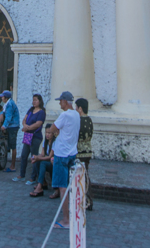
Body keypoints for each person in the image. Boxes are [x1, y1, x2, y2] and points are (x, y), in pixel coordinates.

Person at [46, 91, 81, 229]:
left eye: (61, 101)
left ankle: (66, 219)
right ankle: (71, 215)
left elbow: (52, 129)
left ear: (66, 102)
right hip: (72, 152)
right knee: (69, 186)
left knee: (62, 187)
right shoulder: (76, 115)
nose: (60, 103)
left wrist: (57, 131)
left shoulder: (64, 115)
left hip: (61, 153)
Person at [16, 94, 46, 183]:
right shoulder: (31, 109)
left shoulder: (41, 112)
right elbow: (24, 119)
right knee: (24, 155)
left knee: (34, 156)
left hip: (35, 136)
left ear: (40, 101)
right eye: (33, 100)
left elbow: (38, 124)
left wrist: (27, 128)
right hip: (27, 136)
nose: (34, 102)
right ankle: (22, 174)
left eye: (36, 100)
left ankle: (33, 177)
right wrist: (25, 125)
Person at [75, 97, 94, 212]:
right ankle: (86, 199)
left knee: (83, 176)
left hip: (80, 152)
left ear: (80, 108)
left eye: (76, 107)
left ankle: (87, 200)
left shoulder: (79, 121)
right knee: (85, 175)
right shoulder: (89, 120)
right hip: (88, 150)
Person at [0, 90, 21, 173]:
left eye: (2, 97)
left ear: (6, 98)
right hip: (11, 126)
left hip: (13, 127)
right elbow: (3, 112)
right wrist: (0, 114)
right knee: (11, 145)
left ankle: (13, 166)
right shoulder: (7, 103)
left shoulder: (10, 105)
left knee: (13, 146)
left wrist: (4, 126)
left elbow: (8, 117)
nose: (1, 98)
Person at [28, 128, 55, 197]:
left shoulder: (55, 142)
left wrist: (38, 158)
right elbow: (42, 154)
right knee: (36, 162)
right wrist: (35, 157)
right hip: (47, 161)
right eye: (46, 133)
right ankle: (44, 183)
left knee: (43, 163)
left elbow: (49, 157)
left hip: (52, 162)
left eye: (49, 133)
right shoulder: (45, 142)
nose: (47, 135)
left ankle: (39, 186)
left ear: (53, 134)